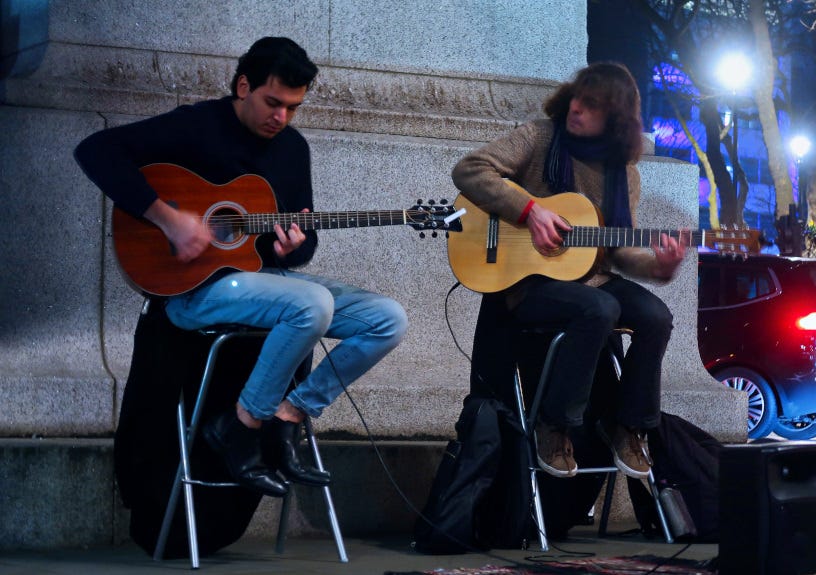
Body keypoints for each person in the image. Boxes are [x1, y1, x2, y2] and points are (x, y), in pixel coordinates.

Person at [74, 37, 408, 497]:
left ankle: (288, 415)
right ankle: (243, 425)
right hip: (191, 292)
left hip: (260, 284)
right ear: (244, 86)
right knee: (311, 303)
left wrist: (293, 248)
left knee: (387, 318)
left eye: (293, 108)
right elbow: (95, 150)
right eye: (273, 103)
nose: (282, 117)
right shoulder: (196, 125)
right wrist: (168, 220)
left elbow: (300, 243)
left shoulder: (292, 149)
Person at [451, 62, 685, 480]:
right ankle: (553, 425)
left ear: (614, 119)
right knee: (598, 308)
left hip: (591, 277)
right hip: (527, 283)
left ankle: (628, 426)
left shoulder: (624, 173)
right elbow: (469, 170)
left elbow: (618, 252)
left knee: (656, 316)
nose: (576, 108)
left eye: (591, 105)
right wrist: (530, 211)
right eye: (576, 97)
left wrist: (660, 266)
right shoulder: (540, 137)